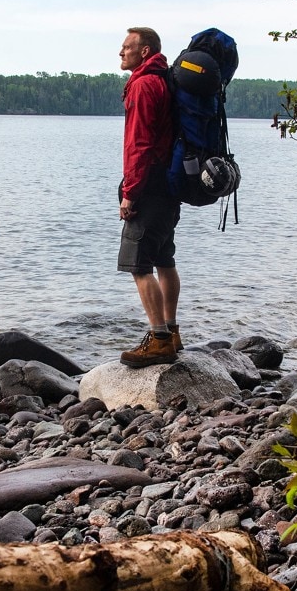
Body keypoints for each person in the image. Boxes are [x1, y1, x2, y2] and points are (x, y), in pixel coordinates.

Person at [116, 26, 182, 368]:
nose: (120, 52)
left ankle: (158, 340)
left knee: (139, 265)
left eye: (127, 47)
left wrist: (130, 193)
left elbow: (139, 145)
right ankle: (171, 331)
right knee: (164, 258)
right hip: (169, 184)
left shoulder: (143, 84)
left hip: (149, 183)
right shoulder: (164, 79)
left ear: (145, 51)